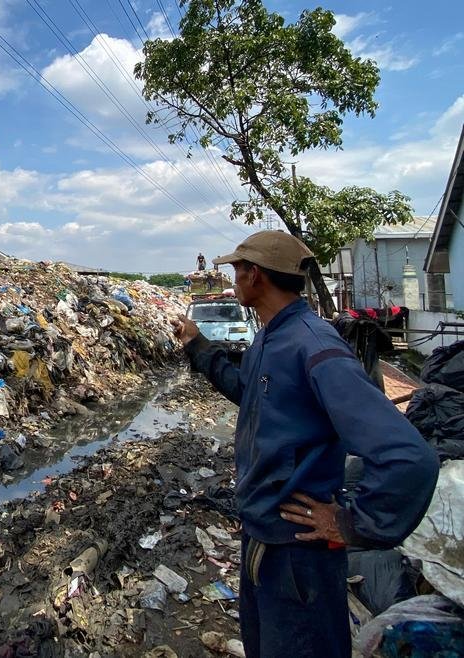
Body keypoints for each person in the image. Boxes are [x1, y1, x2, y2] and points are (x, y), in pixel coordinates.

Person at [171, 231, 439, 658]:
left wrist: (352, 523)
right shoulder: (270, 338)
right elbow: (250, 394)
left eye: (237, 270)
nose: (233, 279)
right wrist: (199, 345)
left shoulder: (314, 346)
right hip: (263, 542)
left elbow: (410, 458)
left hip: (300, 558)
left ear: (254, 275)